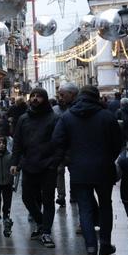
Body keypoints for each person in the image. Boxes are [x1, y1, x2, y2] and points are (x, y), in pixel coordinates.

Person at [52, 85, 125, 255]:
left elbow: (56, 141)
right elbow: (118, 143)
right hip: (103, 169)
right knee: (106, 206)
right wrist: (108, 157)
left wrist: (69, 159)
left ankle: (91, 248)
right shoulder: (106, 116)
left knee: (84, 209)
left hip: (79, 169)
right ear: (97, 97)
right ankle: (105, 245)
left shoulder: (68, 117)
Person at [11, 88, 61, 248]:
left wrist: (55, 162)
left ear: (45, 99)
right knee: (26, 197)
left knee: (48, 200)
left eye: (38, 96)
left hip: (48, 166)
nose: (35, 99)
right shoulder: (23, 119)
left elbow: (60, 143)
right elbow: (17, 142)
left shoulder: (54, 118)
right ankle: (41, 223)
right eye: (32, 96)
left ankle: (46, 232)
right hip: (29, 164)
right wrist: (14, 163)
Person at [54, 81, 79, 210]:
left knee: (74, 172)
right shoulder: (55, 111)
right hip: (60, 148)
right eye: (59, 96)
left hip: (72, 148)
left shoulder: (75, 110)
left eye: (62, 95)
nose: (60, 98)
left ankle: (73, 194)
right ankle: (61, 195)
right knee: (59, 172)